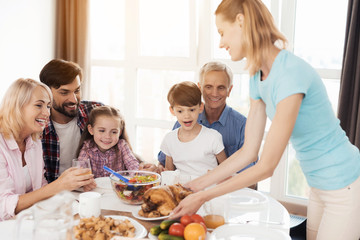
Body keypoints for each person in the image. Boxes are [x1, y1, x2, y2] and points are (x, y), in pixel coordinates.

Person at [170, 1, 360, 240]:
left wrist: (204, 195)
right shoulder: (256, 76)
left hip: (344, 186)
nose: (220, 42)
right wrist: (196, 185)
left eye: (221, 32)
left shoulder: (289, 72)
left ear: (240, 21)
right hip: (318, 184)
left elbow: (267, 166)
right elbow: (249, 152)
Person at [0, 78, 93, 221]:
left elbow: (40, 187)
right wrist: (58, 185)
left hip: (26, 221)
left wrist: (67, 187)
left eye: (48, 106)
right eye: (39, 105)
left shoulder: (34, 141)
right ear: (16, 106)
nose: (47, 113)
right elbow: (3, 206)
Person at [158, 61, 255, 173]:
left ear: (229, 90)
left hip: (227, 187)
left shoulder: (243, 126)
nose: (214, 93)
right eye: (208, 87)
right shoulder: (184, 121)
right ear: (200, 88)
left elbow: (250, 175)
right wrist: (158, 168)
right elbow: (165, 162)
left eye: (221, 87)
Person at [160, 81, 227, 176]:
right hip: (181, 189)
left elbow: (226, 169)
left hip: (209, 188)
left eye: (191, 110)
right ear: (172, 110)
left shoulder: (213, 137)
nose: (187, 116)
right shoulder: (169, 139)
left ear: (200, 107)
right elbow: (169, 175)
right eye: (180, 111)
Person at [76, 105, 139, 178]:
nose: (107, 136)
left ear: (120, 133)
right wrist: (85, 182)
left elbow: (132, 164)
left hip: (117, 187)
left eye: (114, 132)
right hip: (94, 188)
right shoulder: (87, 147)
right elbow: (81, 169)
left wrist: (135, 177)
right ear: (91, 130)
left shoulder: (122, 145)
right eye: (102, 131)